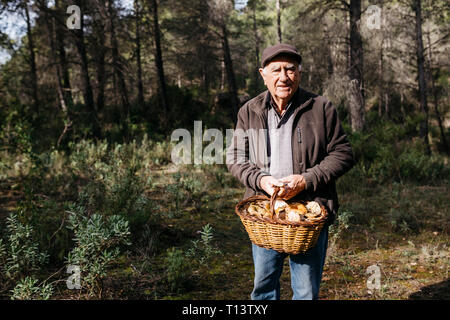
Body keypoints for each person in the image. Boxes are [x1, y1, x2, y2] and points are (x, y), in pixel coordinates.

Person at [226, 43, 355, 300]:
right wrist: (262, 181)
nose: (283, 77)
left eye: (290, 69)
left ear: (299, 72)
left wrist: (306, 180)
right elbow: (236, 157)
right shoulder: (249, 111)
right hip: (266, 214)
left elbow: (343, 153)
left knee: (306, 292)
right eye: (276, 70)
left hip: (309, 215)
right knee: (263, 290)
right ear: (263, 74)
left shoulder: (321, 108)